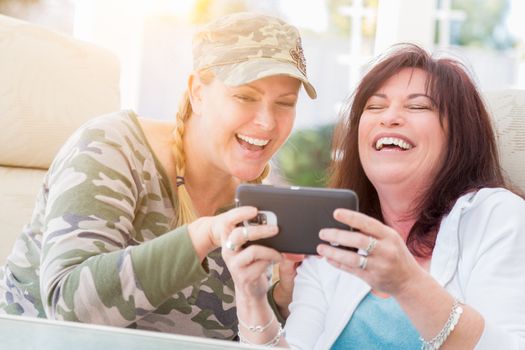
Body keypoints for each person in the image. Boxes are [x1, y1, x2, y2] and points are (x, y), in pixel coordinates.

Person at [0, 12, 317, 340]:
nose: (267, 122)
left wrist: (278, 298)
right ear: (198, 92)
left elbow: (228, 332)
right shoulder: (113, 148)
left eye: (285, 103)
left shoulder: (260, 197)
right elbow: (68, 307)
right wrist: (203, 234)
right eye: (245, 97)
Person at [221, 44, 525, 349]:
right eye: (375, 106)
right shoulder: (334, 235)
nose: (389, 117)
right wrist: (251, 296)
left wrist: (406, 283)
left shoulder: (497, 216)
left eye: (418, 106)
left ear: (459, 136)